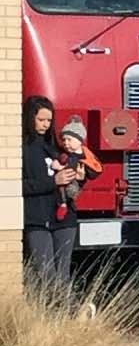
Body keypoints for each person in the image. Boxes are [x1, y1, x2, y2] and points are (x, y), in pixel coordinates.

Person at [21, 97, 80, 290]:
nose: (46, 125)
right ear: (30, 118)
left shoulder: (55, 145)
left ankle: (70, 317)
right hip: (36, 218)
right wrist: (52, 182)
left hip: (64, 218)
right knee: (46, 274)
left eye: (49, 120)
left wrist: (78, 177)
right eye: (41, 120)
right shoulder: (20, 148)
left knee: (63, 275)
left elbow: (70, 175)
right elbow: (20, 186)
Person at [52, 119, 101, 222]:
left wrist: (60, 167)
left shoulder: (82, 157)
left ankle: (64, 204)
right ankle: (62, 204)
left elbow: (73, 167)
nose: (65, 143)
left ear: (79, 140)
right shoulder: (66, 154)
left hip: (73, 183)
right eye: (64, 140)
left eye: (69, 140)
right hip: (65, 181)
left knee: (68, 190)